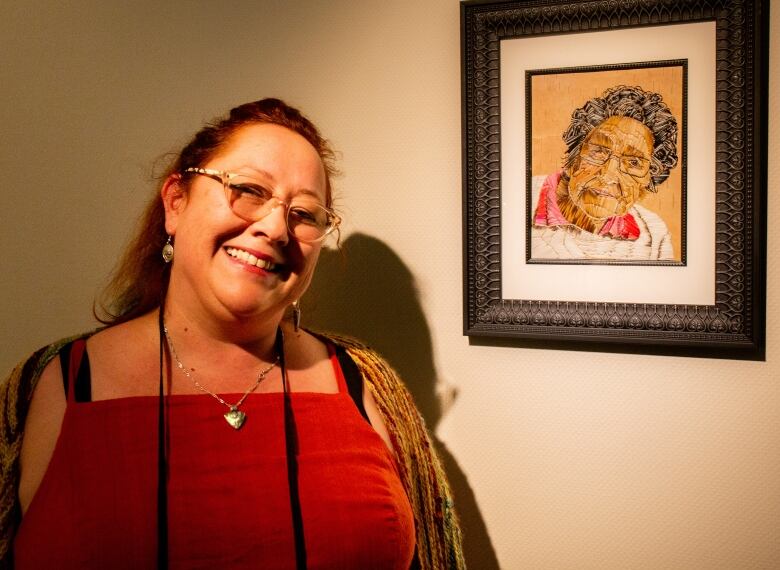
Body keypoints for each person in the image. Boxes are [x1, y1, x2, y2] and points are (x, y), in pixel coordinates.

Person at [0, 99, 465, 569]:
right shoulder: (51, 385)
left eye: (305, 214)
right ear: (175, 203)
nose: (275, 228)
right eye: (247, 189)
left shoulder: (366, 385)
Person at [532, 85, 678, 261]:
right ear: (574, 157)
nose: (608, 175)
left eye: (633, 162)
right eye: (599, 151)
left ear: (649, 178)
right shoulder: (521, 199)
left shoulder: (654, 233)